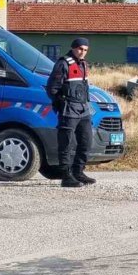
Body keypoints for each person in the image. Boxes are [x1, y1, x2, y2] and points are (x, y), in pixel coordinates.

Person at [46, 38, 95, 188]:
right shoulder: (63, 63)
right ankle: (66, 176)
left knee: (86, 142)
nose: (82, 52)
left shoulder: (84, 65)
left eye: (85, 50)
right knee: (66, 144)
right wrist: (61, 104)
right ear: (73, 48)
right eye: (80, 49)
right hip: (68, 109)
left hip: (83, 109)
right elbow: (52, 88)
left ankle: (78, 171)